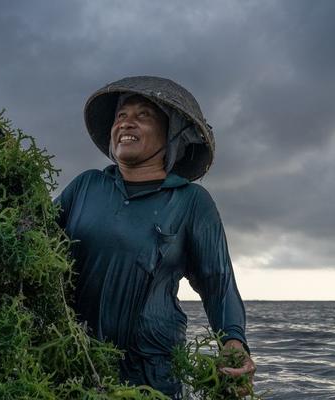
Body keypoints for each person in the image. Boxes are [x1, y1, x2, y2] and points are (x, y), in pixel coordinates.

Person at [55, 76, 255, 398]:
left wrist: (233, 341)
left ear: (171, 134)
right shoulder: (85, 187)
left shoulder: (191, 201)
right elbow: (35, 241)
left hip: (152, 372)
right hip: (73, 359)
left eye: (143, 115)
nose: (127, 122)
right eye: (121, 116)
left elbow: (217, 282)